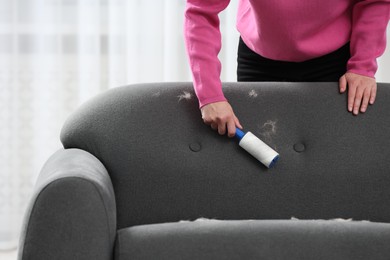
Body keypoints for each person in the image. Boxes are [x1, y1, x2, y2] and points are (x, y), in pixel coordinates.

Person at [184, 0, 390, 138]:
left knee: (331, 161)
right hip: (259, 57)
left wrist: (363, 65)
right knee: (259, 160)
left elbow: (374, 2)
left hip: (335, 60)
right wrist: (209, 95)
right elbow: (200, 12)